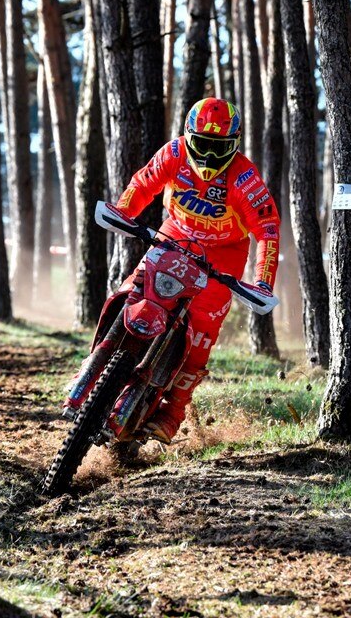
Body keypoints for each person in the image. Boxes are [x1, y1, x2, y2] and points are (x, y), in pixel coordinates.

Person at [91, 97, 281, 444]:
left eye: (218, 147)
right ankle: (96, 365)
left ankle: (174, 411)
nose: (208, 155)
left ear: (234, 147)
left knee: (202, 332)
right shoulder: (175, 153)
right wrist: (124, 211)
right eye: (202, 145)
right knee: (134, 287)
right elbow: (144, 182)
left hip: (224, 253)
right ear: (188, 136)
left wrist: (262, 283)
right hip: (176, 232)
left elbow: (267, 229)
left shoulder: (244, 178)